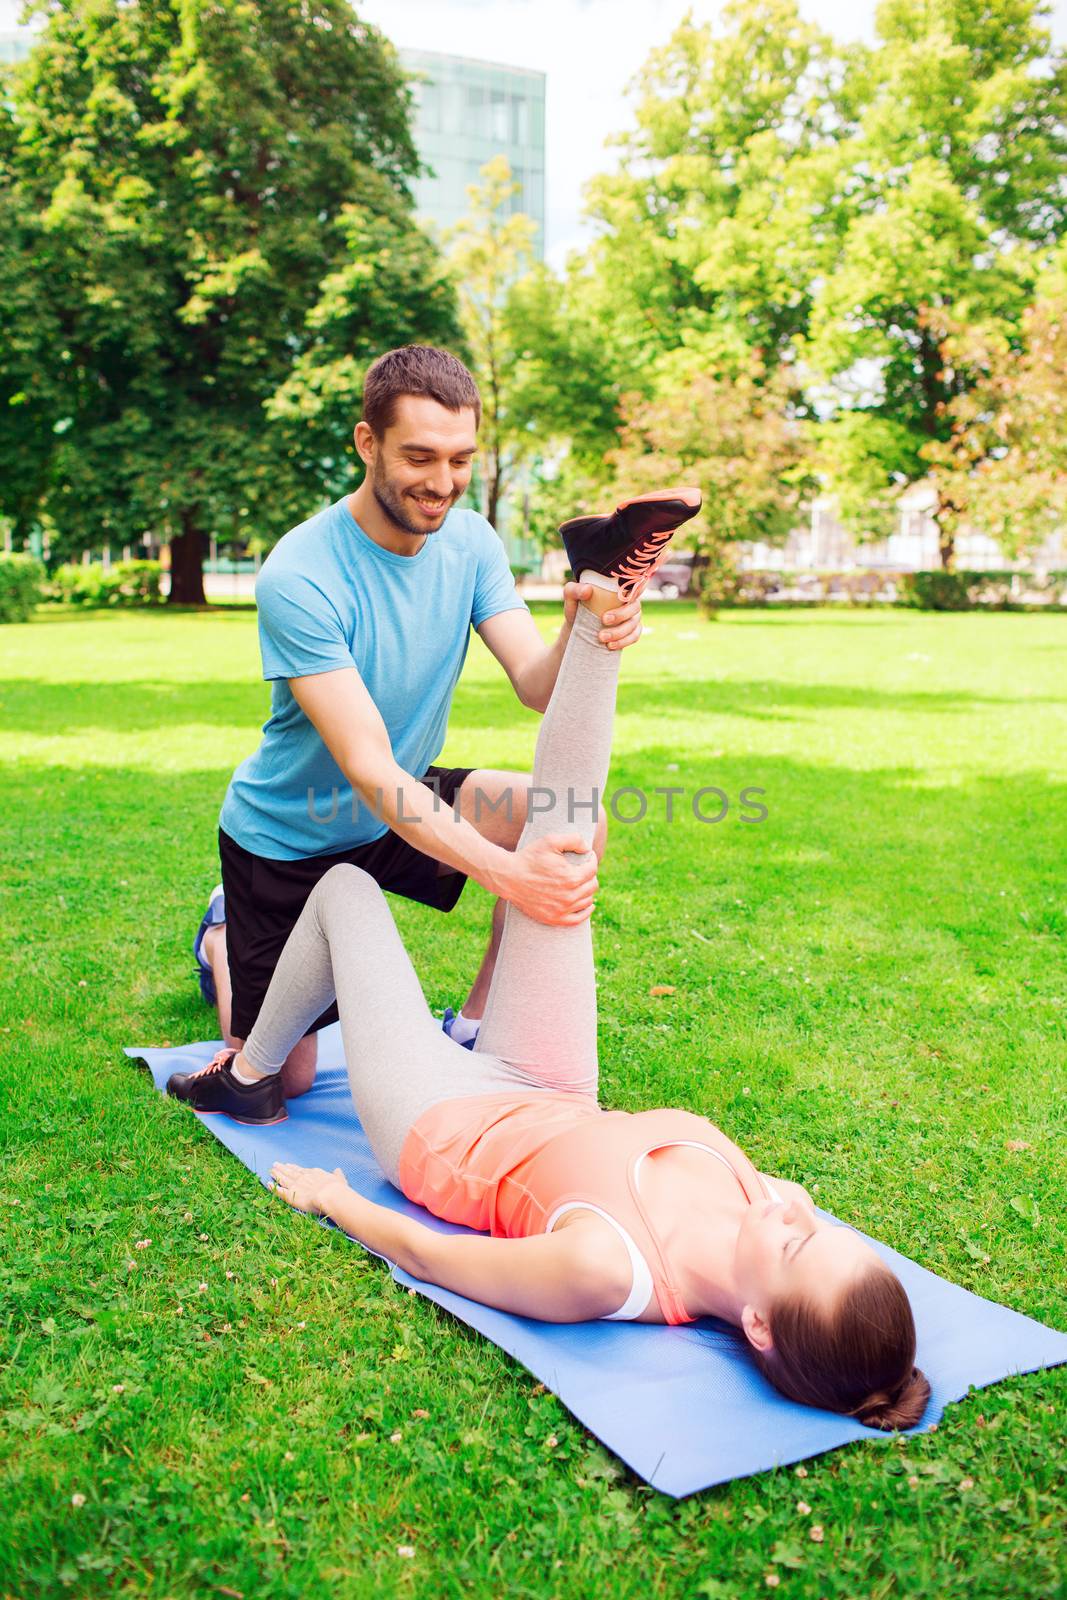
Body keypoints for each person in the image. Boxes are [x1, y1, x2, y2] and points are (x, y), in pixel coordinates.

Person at [183, 344, 659, 1116]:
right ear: (367, 443)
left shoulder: (469, 542)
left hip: (401, 807)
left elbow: (537, 688)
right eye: (419, 456)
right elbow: (368, 768)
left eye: (460, 458)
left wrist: (586, 618)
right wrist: (506, 875)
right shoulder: (300, 575)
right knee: (285, 1081)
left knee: (569, 818)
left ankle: (473, 1027)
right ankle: (220, 935)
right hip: (290, 834)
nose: (441, 483)